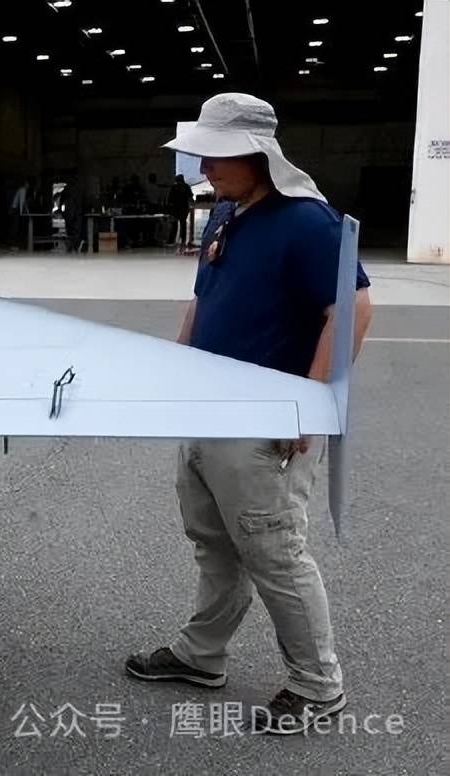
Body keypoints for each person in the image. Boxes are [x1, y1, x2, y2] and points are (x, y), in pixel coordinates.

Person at [124, 93, 374, 736]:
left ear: (258, 154)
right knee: (213, 541)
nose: (203, 167)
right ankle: (201, 655)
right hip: (209, 410)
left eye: (215, 155)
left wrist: (310, 404)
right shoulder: (226, 213)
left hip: (263, 421)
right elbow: (203, 299)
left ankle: (317, 684)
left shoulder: (307, 221)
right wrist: (178, 368)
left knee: (274, 551)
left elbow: (352, 308)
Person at [167, 174, 194, 246]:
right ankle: (183, 240)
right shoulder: (186, 187)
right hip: (184, 208)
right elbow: (190, 196)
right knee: (183, 224)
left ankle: (172, 240)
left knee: (174, 225)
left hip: (176, 208)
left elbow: (170, 199)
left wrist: (170, 208)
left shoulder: (174, 187)